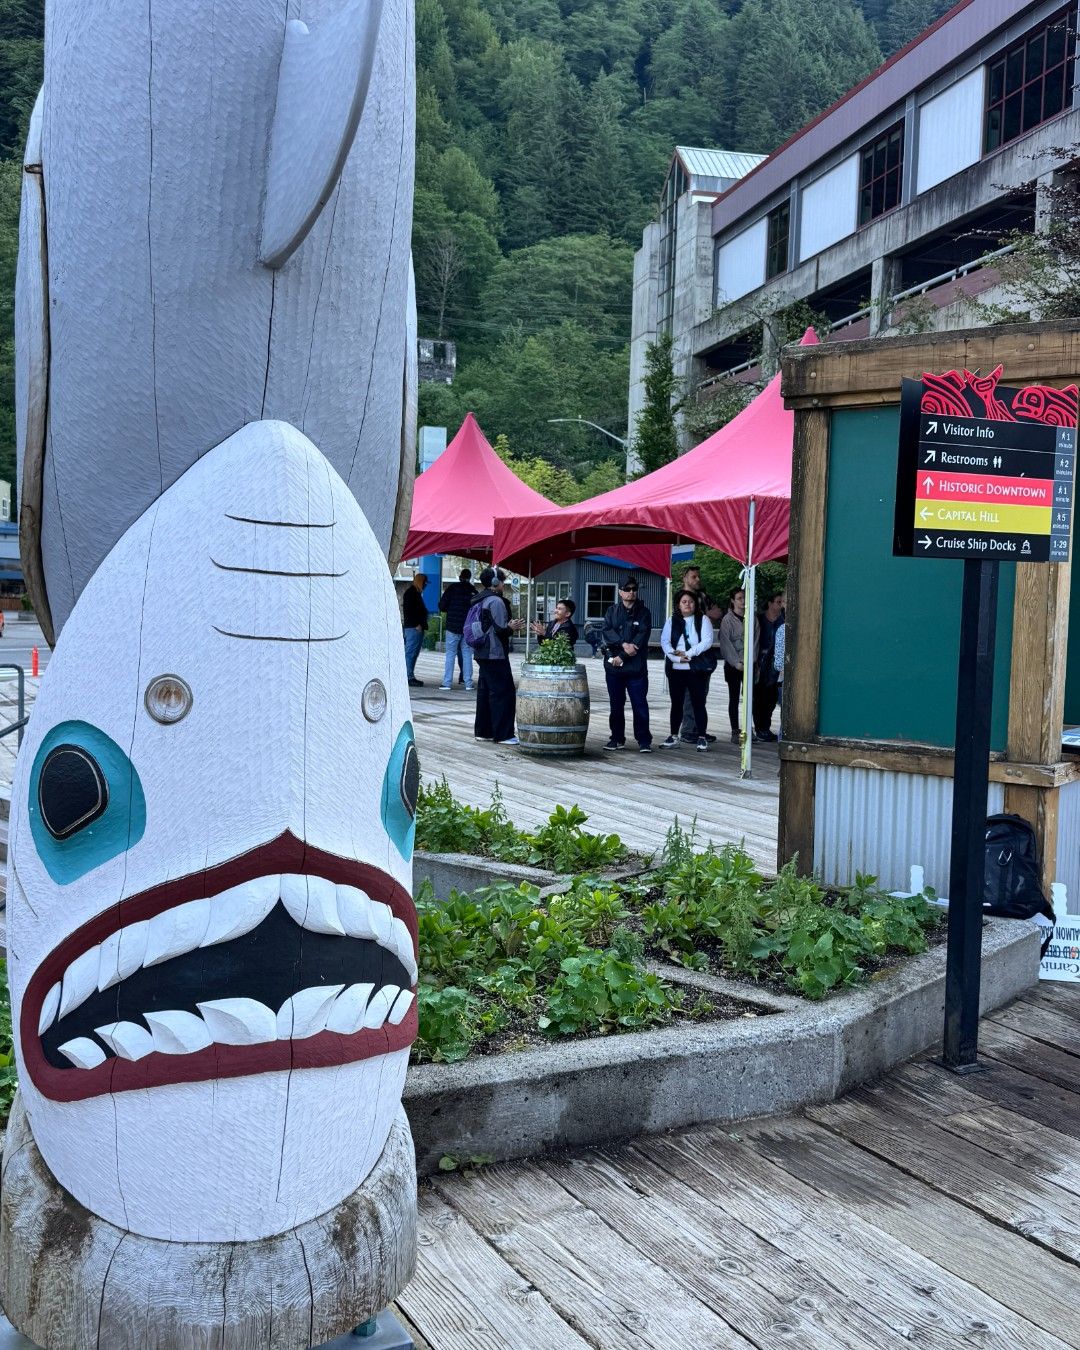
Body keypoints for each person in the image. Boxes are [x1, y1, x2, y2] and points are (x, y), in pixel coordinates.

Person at [472, 566, 524, 745]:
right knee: (504, 692)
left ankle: (484, 731)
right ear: (495, 582)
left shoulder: (479, 599)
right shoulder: (495, 601)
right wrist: (512, 627)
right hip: (495, 653)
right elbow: (500, 630)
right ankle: (504, 734)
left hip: (481, 651)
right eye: (502, 581)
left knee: (485, 692)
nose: (503, 584)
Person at [601, 575, 653, 753]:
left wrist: (623, 655)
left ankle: (644, 740)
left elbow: (641, 637)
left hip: (636, 668)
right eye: (627, 589)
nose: (631, 592)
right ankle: (616, 738)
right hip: (614, 667)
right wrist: (623, 645)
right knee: (616, 705)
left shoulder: (644, 612)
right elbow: (607, 631)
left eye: (634, 589)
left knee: (640, 704)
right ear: (620, 592)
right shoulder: (611, 611)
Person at [660, 590, 715, 752]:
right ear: (678, 604)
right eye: (684, 602)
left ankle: (702, 737)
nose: (688, 604)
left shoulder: (703, 619)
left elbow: (707, 641)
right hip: (676, 669)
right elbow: (665, 641)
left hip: (696, 669)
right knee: (676, 704)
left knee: (698, 703)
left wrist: (689, 654)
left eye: (691, 601)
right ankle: (673, 736)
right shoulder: (671, 620)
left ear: (695, 604)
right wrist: (676, 657)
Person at [677, 565, 716, 743]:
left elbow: (717, 612)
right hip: (686, 651)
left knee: (701, 693)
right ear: (684, 577)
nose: (697, 579)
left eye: (698, 576)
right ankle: (687, 730)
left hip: (702, 653)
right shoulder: (679, 597)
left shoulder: (703, 596)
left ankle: (699, 729)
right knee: (688, 693)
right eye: (694, 576)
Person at [438, 568, 478, 691]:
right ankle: (468, 683)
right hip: (467, 628)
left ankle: (447, 683)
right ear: (469, 578)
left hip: (452, 626)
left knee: (450, 654)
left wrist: (451, 609)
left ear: (460, 576)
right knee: (467, 655)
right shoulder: (473, 591)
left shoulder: (452, 588)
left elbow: (442, 606)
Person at [718, 587, 749, 745]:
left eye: (744, 598)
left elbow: (755, 640)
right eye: (739, 598)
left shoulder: (751, 617)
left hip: (749, 663)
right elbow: (725, 643)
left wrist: (750, 659)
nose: (742, 601)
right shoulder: (727, 620)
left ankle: (749, 728)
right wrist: (736, 662)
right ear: (733, 601)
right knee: (734, 697)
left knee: (750, 697)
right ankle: (735, 729)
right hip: (733, 664)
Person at [753, 590, 785, 741]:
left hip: (774, 664)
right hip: (759, 663)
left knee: (771, 697)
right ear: (770, 603)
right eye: (778, 602)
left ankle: (765, 727)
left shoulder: (783, 621)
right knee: (758, 696)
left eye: (782, 602)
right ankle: (760, 728)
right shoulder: (759, 619)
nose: (781, 605)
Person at [402, 571, 428, 687]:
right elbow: (409, 611)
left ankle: (409, 675)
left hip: (414, 627)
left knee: (412, 653)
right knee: (411, 653)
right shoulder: (411, 594)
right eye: (425, 583)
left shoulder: (414, 593)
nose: (425, 585)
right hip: (413, 628)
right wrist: (417, 624)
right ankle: (408, 676)